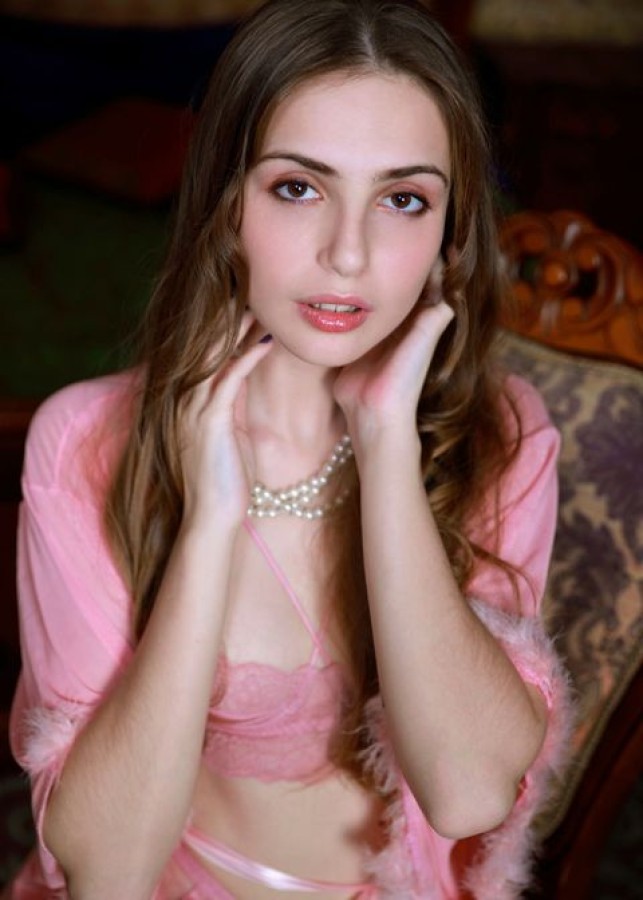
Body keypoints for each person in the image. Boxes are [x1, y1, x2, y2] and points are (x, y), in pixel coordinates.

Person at [8, 1, 572, 897]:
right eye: (298, 188)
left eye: (402, 199)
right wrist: (209, 522)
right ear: (227, 203)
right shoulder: (84, 443)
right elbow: (105, 874)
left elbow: (466, 794)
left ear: (448, 236)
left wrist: (385, 445)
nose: (347, 254)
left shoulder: (500, 437)